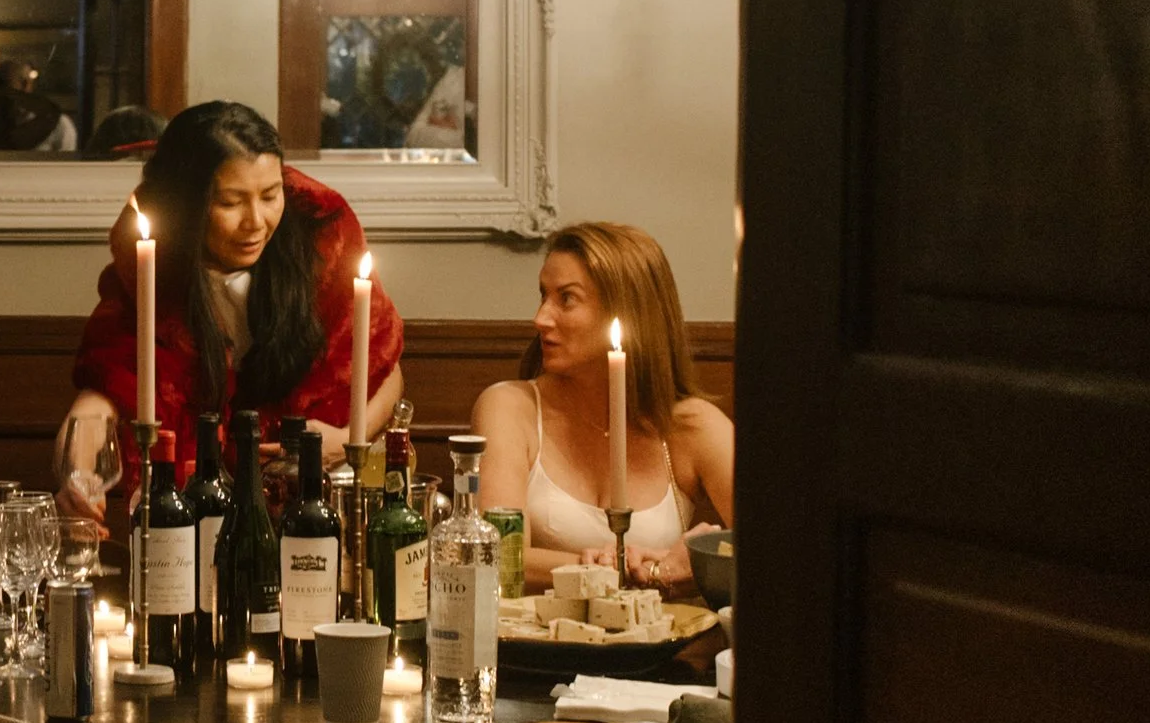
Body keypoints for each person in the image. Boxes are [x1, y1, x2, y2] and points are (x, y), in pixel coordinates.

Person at [53, 99, 403, 532]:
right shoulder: (151, 271)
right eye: (231, 202)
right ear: (187, 205)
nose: (256, 221)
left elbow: (385, 370)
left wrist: (348, 439)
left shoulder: (321, 249)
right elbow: (106, 389)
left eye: (270, 195)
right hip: (195, 512)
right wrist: (79, 474)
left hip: (307, 508)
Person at [463, 219, 732, 585]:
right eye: (543, 295)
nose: (540, 318)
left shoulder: (691, 425)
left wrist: (701, 556)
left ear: (626, 313)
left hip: (665, 638)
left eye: (566, 299)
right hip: (533, 638)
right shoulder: (511, 407)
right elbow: (495, 552)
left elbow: (781, 539)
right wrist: (605, 569)